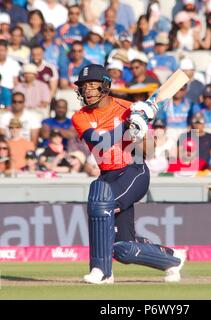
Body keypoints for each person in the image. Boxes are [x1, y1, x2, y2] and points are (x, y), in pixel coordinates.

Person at [71, 64, 185, 284]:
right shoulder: (80, 117)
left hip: (133, 171)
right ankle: (172, 259)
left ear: (105, 86)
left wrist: (140, 132)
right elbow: (99, 142)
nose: (87, 91)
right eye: (84, 87)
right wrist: (127, 126)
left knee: (100, 203)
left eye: (92, 86)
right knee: (122, 248)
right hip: (107, 175)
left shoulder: (129, 109)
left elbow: (149, 151)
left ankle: (101, 271)